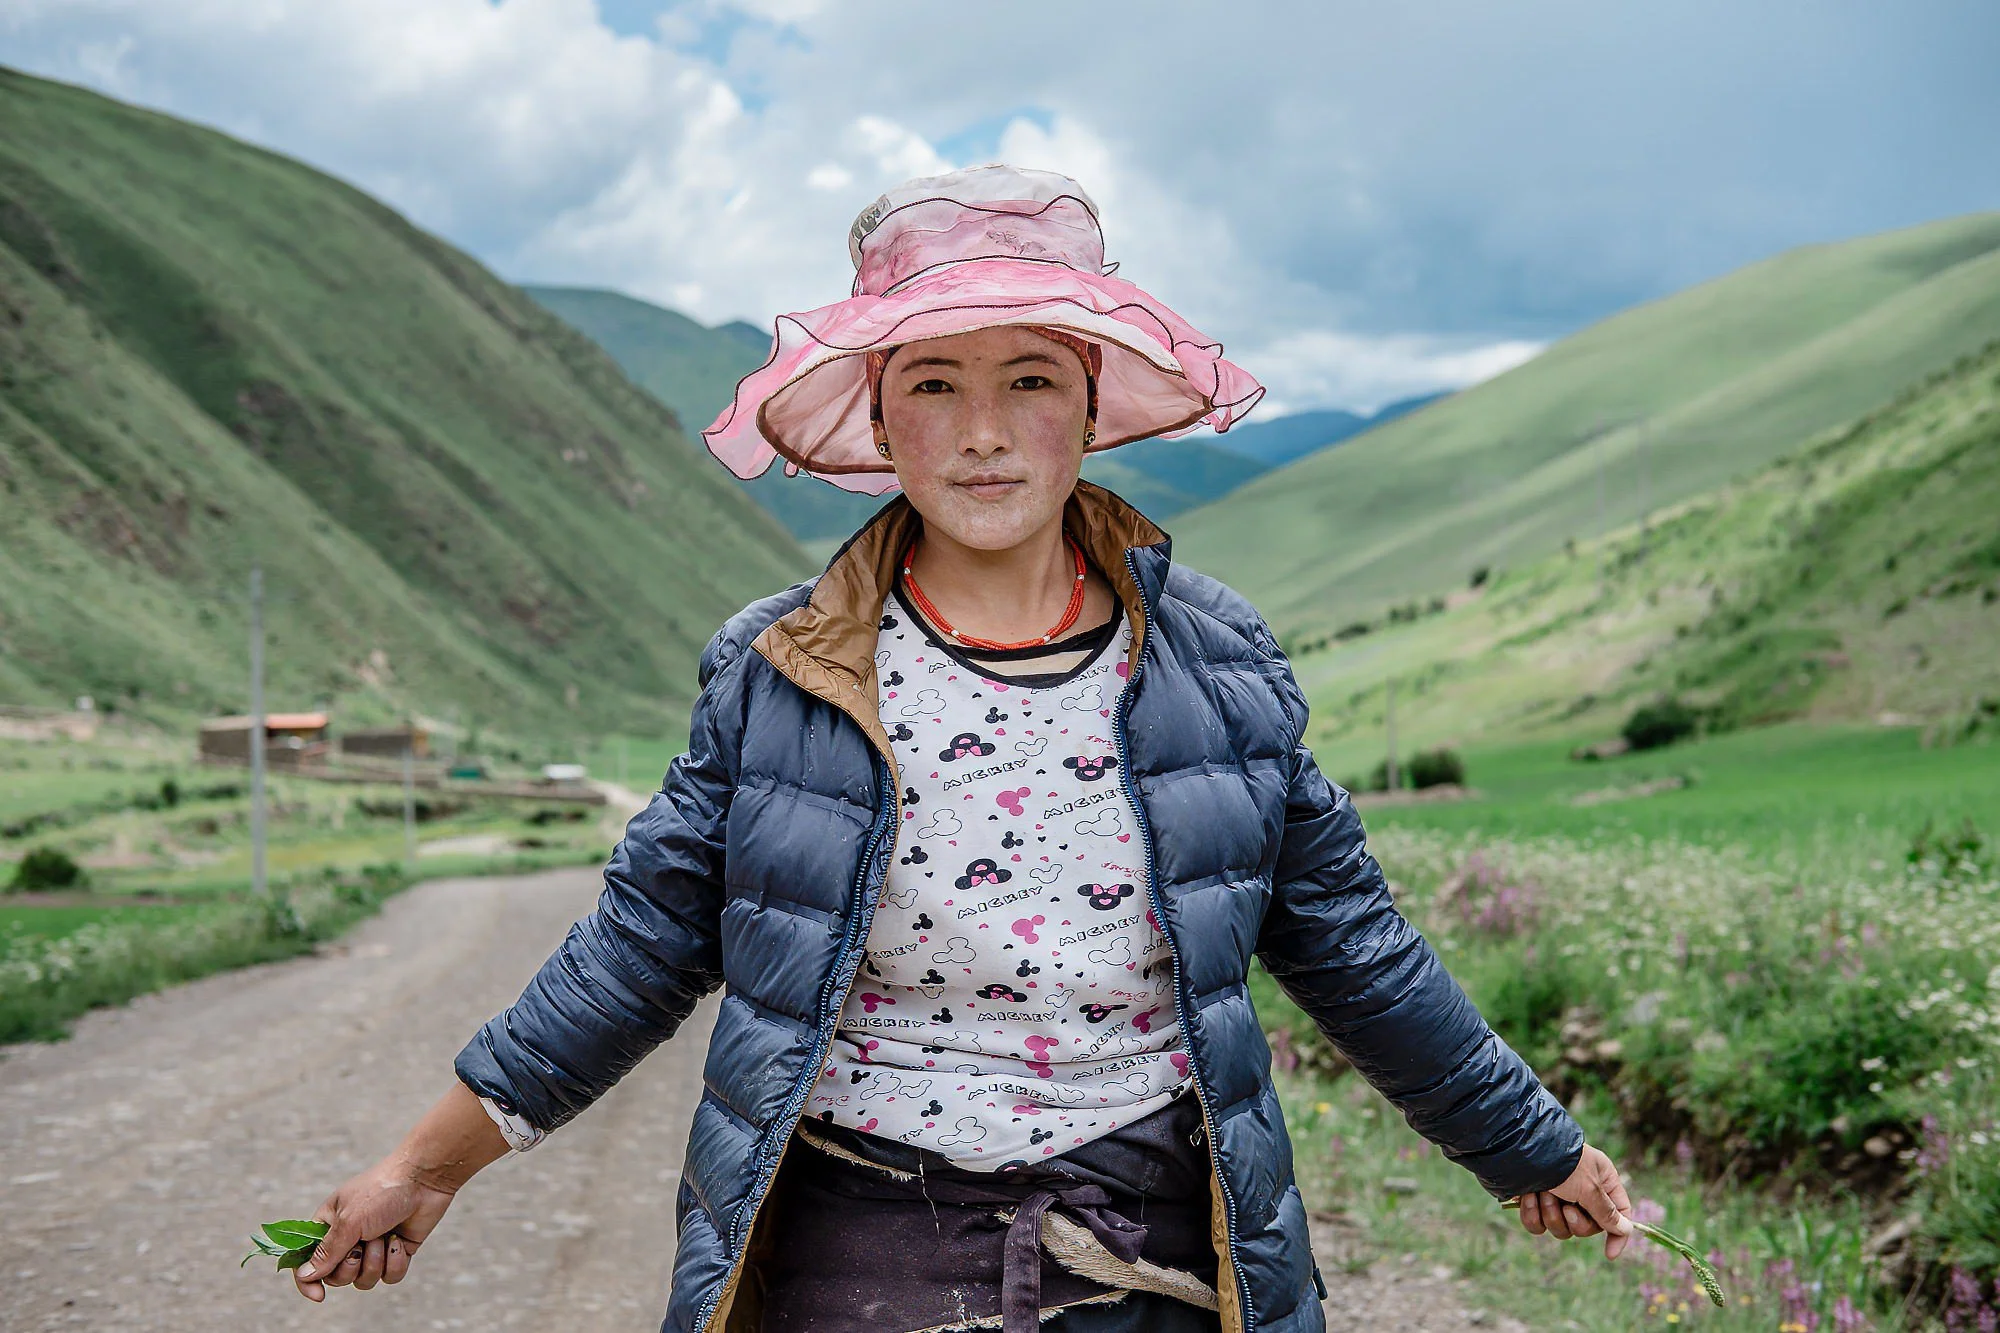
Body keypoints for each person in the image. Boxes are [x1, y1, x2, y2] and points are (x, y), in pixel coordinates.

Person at [292, 165, 1634, 1333]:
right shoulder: (778, 676)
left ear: (1091, 405)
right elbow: (640, 949)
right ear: (881, 420)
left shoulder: (1221, 670)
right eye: (935, 385)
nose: (985, 431)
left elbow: (1353, 947)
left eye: (1030, 382)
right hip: (860, 1243)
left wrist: (1529, 1146)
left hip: (1152, 1243)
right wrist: (429, 1165)